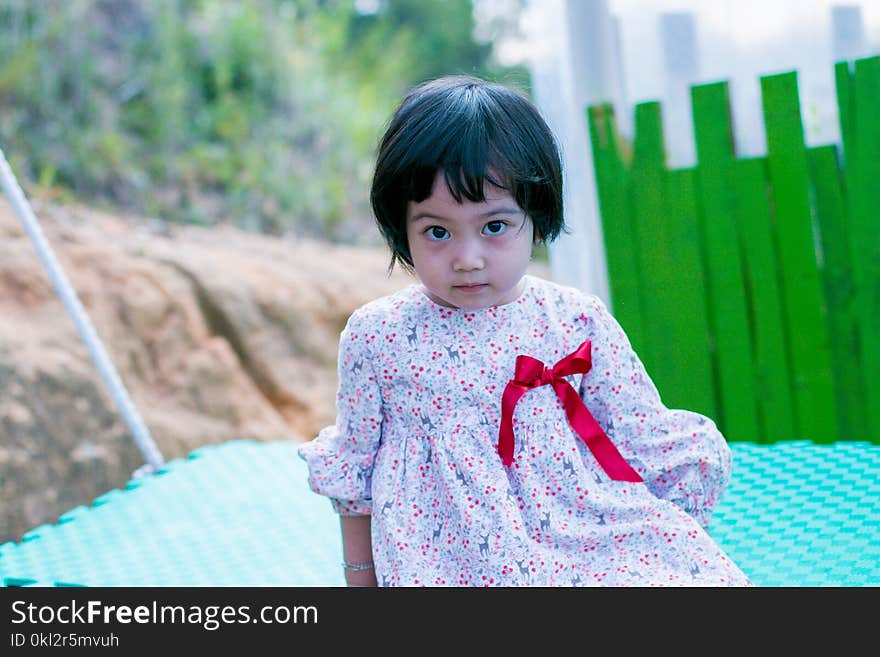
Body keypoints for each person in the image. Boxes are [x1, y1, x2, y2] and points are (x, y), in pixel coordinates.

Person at [298, 74, 752, 587]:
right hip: (452, 564)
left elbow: (637, 428)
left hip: (582, 529)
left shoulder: (573, 318)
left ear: (535, 217)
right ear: (401, 227)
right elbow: (353, 475)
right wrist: (361, 579)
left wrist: (672, 520)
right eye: (437, 231)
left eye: (494, 226)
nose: (467, 259)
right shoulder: (377, 336)